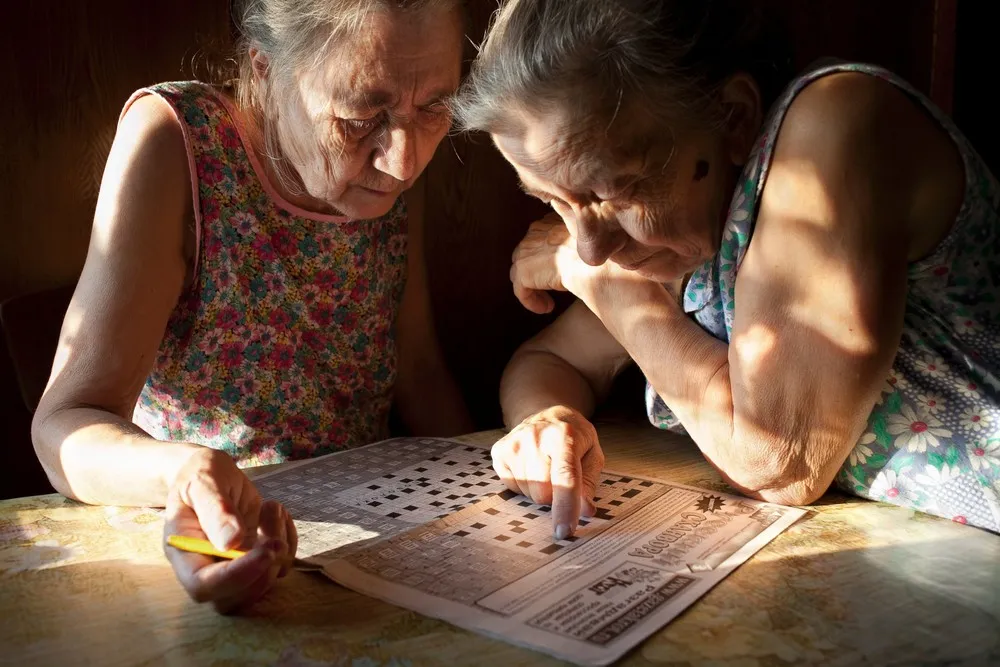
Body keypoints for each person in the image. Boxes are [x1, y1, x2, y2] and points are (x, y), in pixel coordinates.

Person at [453, 0, 1000, 538]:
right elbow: (550, 358)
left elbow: (778, 462)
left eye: (612, 192)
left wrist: (608, 291)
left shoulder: (836, 122)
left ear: (734, 119)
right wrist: (546, 420)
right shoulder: (680, 239)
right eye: (555, 203)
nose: (589, 246)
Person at [31, 0, 473, 612]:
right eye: (358, 115)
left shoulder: (381, 169)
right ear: (264, 69)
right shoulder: (179, 142)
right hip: (201, 533)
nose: (404, 160)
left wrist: (495, 482)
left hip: (370, 538)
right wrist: (182, 475)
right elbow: (64, 424)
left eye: (434, 107)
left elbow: (417, 374)